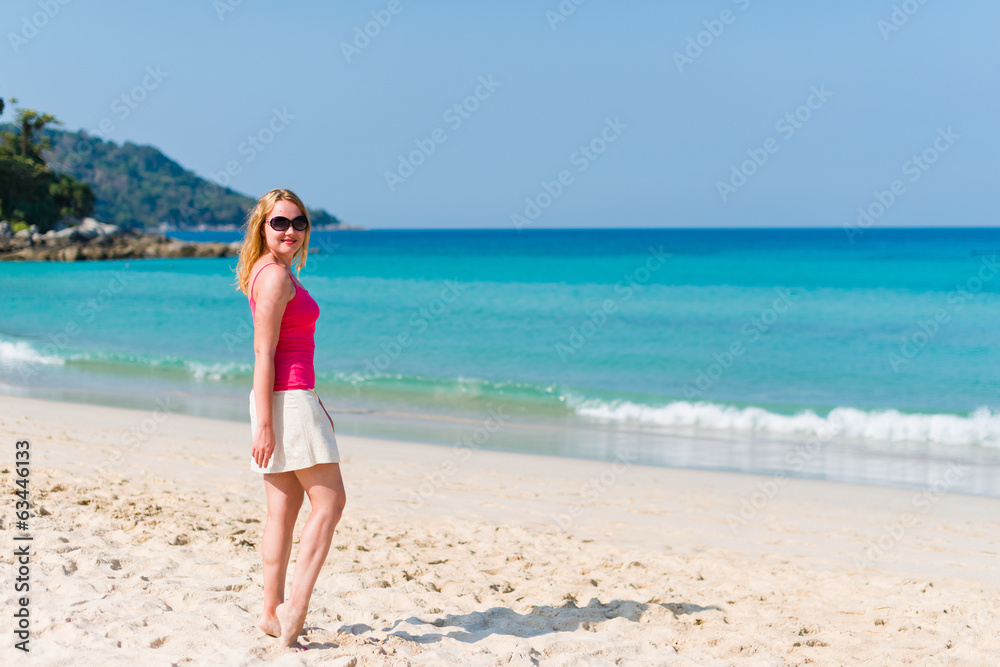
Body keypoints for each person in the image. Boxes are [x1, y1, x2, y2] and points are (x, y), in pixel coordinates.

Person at [234, 188, 346, 648]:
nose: (291, 231)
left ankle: (269, 612)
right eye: (280, 222)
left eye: (299, 223)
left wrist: (268, 414)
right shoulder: (276, 277)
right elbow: (264, 351)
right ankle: (294, 609)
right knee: (331, 504)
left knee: (281, 512)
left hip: (284, 400)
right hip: (289, 398)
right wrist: (266, 421)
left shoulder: (261, 273)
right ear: (262, 226)